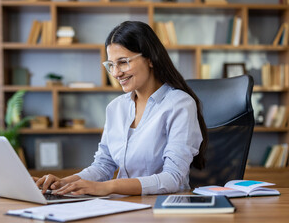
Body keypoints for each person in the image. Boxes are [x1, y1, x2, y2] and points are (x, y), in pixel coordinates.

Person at [34, 21, 207, 196]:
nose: (116, 73)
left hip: (164, 207)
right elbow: (103, 166)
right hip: (124, 205)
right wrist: (63, 183)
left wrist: (109, 187)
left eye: (123, 62)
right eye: (111, 65)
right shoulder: (115, 107)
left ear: (150, 59)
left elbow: (172, 178)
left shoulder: (179, 104)